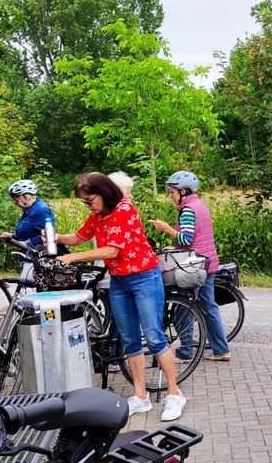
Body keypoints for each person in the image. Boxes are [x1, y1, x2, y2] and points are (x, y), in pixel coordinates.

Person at [54, 172, 187, 421]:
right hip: (120, 281)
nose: (88, 206)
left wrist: (71, 258)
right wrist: (57, 238)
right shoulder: (97, 215)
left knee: (154, 336)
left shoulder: (125, 210)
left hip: (144, 278)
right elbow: (79, 237)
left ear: (104, 193)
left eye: (89, 200)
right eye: (84, 202)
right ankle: (141, 396)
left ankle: (174, 393)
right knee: (130, 339)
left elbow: (111, 251)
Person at [150, 171, 231, 362]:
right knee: (208, 306)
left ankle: (186, 353)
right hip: (206, 262)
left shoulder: (187, 210)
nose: (171, 196)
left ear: (184, 191)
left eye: (173, 192)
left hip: (194, 265)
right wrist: (176, 246)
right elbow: (195, 237)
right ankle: (221, 350)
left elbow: (186, 237)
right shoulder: (199, 205)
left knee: (183, 308)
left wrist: (167, 229)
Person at [0, 179, 55, 289]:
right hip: (30, 257)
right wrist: (11, 236)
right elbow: (28, 231)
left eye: (16, 198)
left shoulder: (40, 210)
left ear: (26, 196)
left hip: (37, 257)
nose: (15, 202)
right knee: (26, 291)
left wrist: (27, 243)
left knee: (27, 292)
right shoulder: (29, 210)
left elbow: (48, 235)